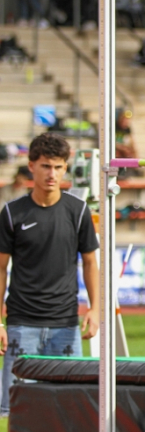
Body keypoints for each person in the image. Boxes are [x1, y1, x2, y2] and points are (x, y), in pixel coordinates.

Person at [0, 133, 99, 416]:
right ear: (31, 166)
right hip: (21, 325)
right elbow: (0, 269)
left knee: (70, 410)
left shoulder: (78, 211)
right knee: (16, 411)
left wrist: (94, 309)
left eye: (57, 167)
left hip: (66, 326)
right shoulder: (11, 213)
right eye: (45, 166)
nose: (51, 174)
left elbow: (91, 262)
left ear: (66, 168)